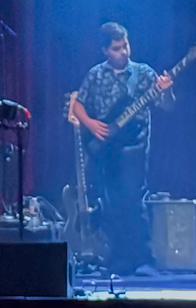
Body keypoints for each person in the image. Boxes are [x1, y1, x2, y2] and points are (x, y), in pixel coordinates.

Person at [71, 22, 174, 275]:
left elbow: (167, 106)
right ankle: (120, 258)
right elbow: (78, 105)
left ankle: (144, 258)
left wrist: (167, 90)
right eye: (117, 48)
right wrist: (91, 124)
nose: (124, 52)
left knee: (133, 199)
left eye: (125, 45)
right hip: (107, 148)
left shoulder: (144, 73)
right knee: (111, 202)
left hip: (135, 144)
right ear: (105, 50)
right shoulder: (96, 75)